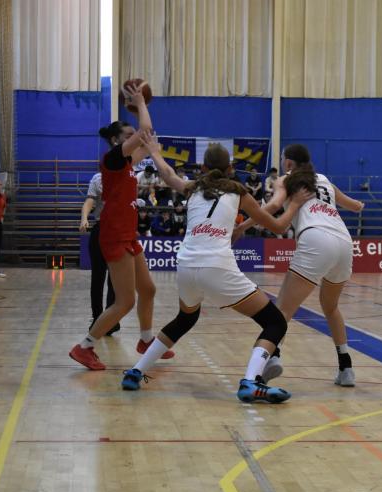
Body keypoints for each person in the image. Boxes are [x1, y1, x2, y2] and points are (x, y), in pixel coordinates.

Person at [122, 134, 312, 403]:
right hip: (217, 266)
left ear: (202, 167)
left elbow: (167, 174)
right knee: (275, 322)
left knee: (184, 319)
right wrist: (295, 204)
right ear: (230, 168)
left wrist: (154, 150)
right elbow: (279, 226)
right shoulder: (239, 192)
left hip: (186, 265)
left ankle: (136, 372)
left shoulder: (192, 187)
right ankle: (251, 382)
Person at [234, 144, 365, 387]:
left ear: (288, 163)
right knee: (331, 307)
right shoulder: (323, 179)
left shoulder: (285, 179)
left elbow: (273, 207)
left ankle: (272, 358)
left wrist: (243, 225)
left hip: (316, 238)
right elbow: (354, 206)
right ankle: (346, 368)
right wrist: (358, 204)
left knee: (282, 310)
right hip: (345, 244)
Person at [69, 82, 174, 371]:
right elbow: (145, 132)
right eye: (129, 136)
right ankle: (84, 346)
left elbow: (148, 138)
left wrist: (146, 130)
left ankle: (146, 340)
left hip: (128, 234)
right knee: (125, 301)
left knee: (148, 290)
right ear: (117, 141)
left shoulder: (127, 165)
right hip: (114, 234)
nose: (134, 138)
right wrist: (140, 103)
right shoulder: (113, 160)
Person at [79, 172, 119, 336]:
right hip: (100, 228)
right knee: (97, 277)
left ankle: (110, 320)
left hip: (118, 230)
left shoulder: (128, 177)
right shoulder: (98, 178)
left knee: (114, 279)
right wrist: (84, 218)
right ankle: (97, 317)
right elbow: (90, 200)